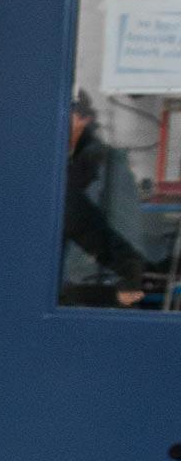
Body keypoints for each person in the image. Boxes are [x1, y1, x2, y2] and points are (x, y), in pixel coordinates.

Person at [61, 89, 147, 307]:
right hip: (64, 290)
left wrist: (125, 285)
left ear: (83, 119)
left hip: (93, 291)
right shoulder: (53, 167)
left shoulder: (106, 166)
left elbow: (125, 233)